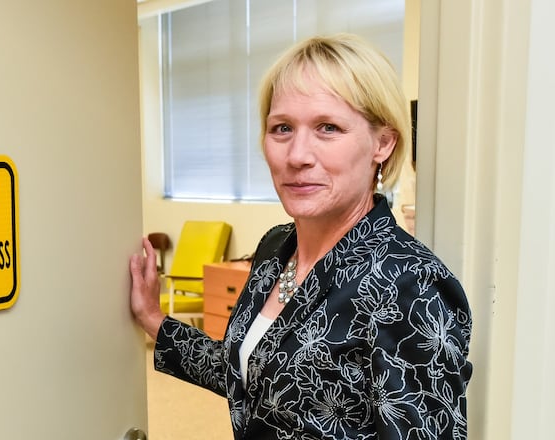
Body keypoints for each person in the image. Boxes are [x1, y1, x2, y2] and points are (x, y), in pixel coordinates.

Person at [129, 33, 472, 439]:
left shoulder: (410, 284)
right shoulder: (276, 247)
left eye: (328, 127)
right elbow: (251, 374)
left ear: (382, 143)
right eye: (282, 128)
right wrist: (154, 318)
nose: (297, 155)